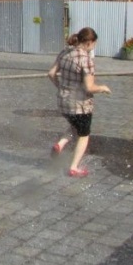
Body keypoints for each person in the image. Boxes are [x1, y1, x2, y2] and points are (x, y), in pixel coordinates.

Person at [47, 27, 111, 177]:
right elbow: (89, 87)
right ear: (89, 42)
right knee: (84, 134)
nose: (93, 47)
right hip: (80, 105)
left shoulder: (65, 52)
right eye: (94, 44)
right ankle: (74, 167)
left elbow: (51, 73)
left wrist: (61, 87)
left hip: (63, 101)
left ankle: (60, 144)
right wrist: (102, 88)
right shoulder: (86, 60)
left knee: (74, 125)